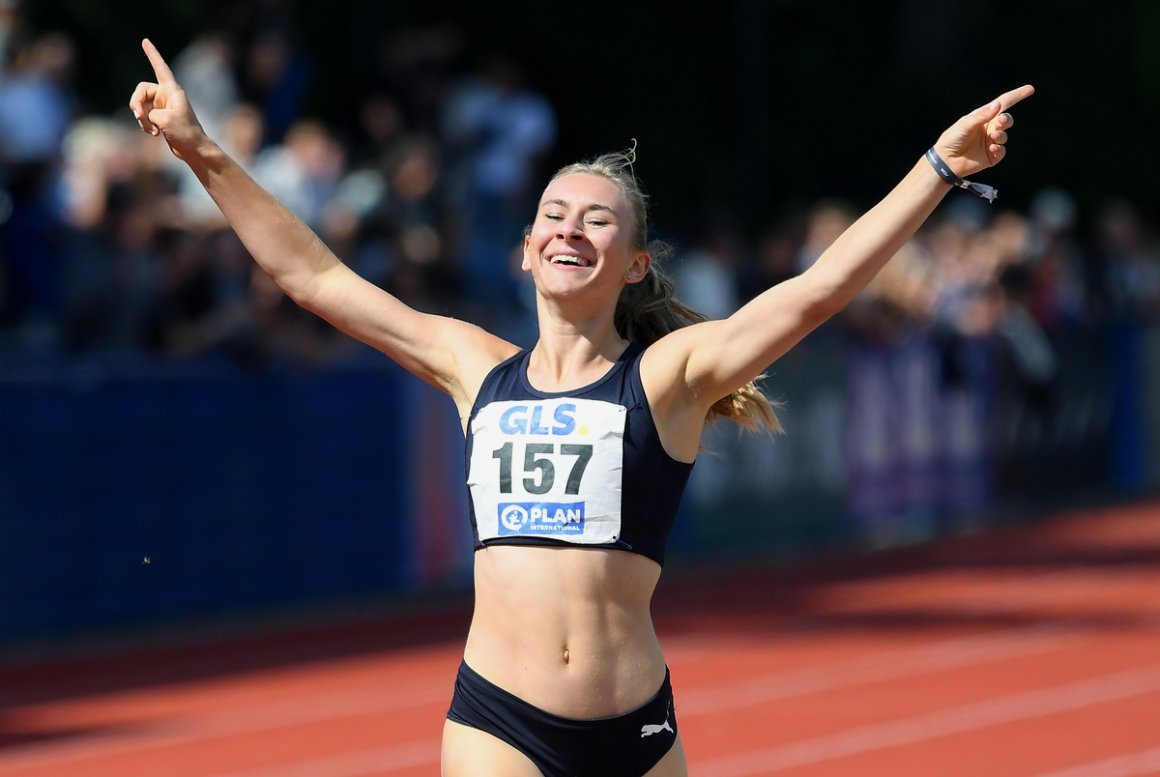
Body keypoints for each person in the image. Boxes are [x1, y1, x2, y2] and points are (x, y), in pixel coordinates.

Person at [130, 37, 1033, 776]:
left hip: (634, 730)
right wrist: (202, 150)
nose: (571, 227)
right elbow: (313, 276)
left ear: (634, 263)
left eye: (598, 219)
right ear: (525, 249)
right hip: (498, 722)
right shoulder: (471, 365)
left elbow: (815, 292)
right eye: (554, 214)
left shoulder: (669, 376)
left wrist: (938, 169)